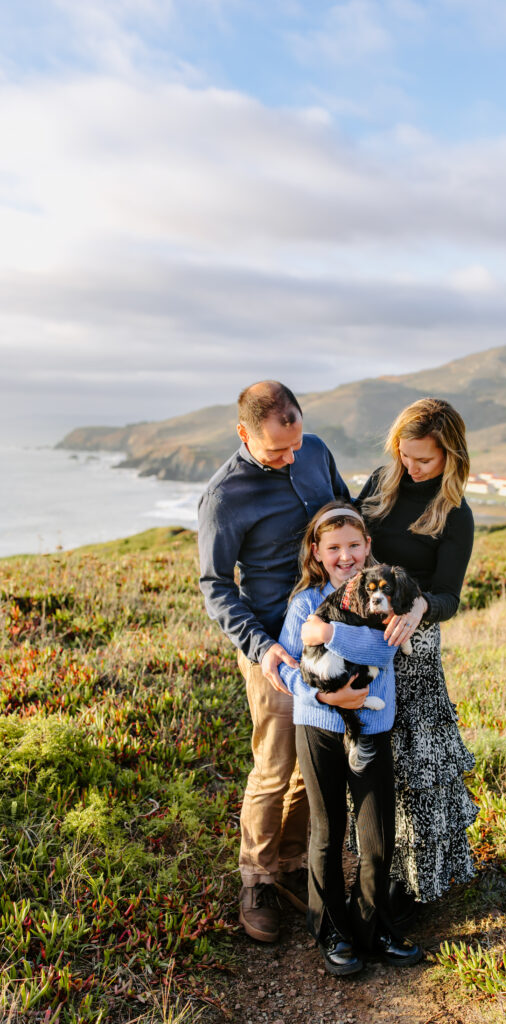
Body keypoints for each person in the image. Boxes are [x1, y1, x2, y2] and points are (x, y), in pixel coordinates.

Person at [197, 381, 350, 944]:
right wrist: (263, 648)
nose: (291, 458)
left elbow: (344, 512)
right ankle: (257, 880)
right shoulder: (223, 497)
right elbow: (216, 586)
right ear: (243, 433)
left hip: (331, 632)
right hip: (274, 648)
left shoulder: (314, 450)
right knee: (274, 763)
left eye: (296, 444)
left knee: (315, 756)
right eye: (276, 451)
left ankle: (291, 865)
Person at [277, 501, 422, 976]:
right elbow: (289, 667)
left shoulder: (387, 598)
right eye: (334, 547)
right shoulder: (303, 604)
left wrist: (329, 632)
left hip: (374, 728)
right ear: (316, 552)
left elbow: (383, 648)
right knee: (327, 831)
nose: (346, 556)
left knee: (376, 833)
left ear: (368, 548)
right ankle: (333, 931)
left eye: (354, 546)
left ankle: (373, 926)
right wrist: (329, 699)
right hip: (317, 724)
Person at [356, 397, 479, 919]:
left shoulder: (455, 514)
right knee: (371, 759)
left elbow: (450, 594)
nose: (411, 468)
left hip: (415, 647)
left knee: (418, 766)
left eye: (423, 460)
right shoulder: (381, 484)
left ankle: (416, 883)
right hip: (362, 640)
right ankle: (374, 872)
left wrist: (423, 604)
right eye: (404, 455)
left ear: (450, 455)